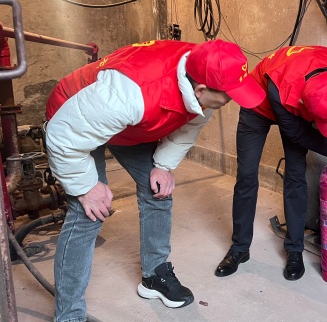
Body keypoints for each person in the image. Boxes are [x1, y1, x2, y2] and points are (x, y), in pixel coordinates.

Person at [45, 39, 265, 322]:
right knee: (89, 213)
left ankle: (154, 276)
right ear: (201, 90)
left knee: (158, 190)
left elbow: (189, 125)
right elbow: (64, 137)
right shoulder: (129, 95)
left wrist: (163, 166)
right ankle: (69, 314)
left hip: (126, 123)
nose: (232, 100)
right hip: (73, 119)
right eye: (230, 96)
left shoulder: (205, 71)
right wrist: (86, 187)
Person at [215, 45, 327, 281]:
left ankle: (294, 249)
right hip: (259, 106)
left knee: (296, 174)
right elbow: (297, 133)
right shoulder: (281, 86)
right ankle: (239, 248)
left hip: (295, 105)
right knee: (247, 175)